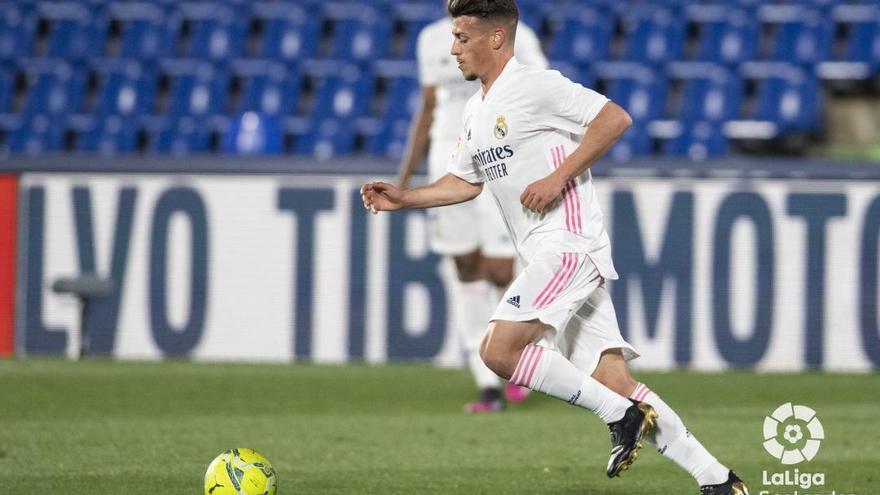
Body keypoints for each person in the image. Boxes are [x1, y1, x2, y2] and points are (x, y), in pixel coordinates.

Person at [362, 1, 749, 493]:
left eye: (462, 37)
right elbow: (465, 182)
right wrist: (406, 198)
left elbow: (614, 118)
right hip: (551, 254)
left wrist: (558, 176)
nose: (453, 48)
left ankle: (620, 418)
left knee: (499, 351)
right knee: (613, 378)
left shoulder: (536, 84)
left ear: (497, 39)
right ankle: (718, 480)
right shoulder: (478, 109)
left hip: (568, 244)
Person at [397, 3, 548, 413]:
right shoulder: (430, 39)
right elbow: (428, 109)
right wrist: (406, 178)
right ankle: (486, 382)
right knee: (465, 265)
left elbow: (537, 92)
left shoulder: (518, 37)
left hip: (499, 156)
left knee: (501, 269)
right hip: (447, 158)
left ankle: (518, 356)